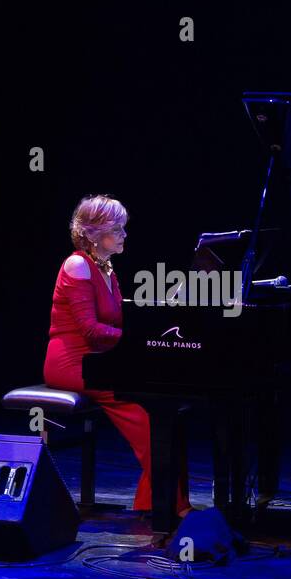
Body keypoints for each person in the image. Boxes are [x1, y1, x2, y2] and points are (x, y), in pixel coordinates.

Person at [43, 195, 191, 516]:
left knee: (166, 411)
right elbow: (91, 331)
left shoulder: (107, 268)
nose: (124, 234)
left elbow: (120, 320)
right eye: (118, 228)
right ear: (93, 234)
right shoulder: (77, 264)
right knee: (148, 412)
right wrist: (140, 342)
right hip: (73, 362)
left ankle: (153, 504)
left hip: (100, 361)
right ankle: (173, 507)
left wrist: (158, 320)